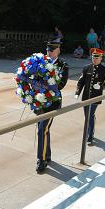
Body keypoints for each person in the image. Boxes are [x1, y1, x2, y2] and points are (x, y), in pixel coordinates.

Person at [34, 37, 69, 174]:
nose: (48, 52)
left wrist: (46, 85)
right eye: (48, 50)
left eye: (52, 50)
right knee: (43, 130)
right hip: (40, 101)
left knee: (42, 130)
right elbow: (35, 78)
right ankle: (46, 155)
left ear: (58, 51)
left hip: (52, 103)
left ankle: (41, 160)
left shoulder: (63, 65)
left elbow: (61, 84)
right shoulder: (41, 63)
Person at [74, 48, 105, 143]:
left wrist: (101, 86)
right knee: (87, 115)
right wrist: (77, 93)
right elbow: (81, 81)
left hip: (96, 97)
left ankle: (90, 135)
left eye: (96, 58)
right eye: (93, 57)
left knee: (90, 115)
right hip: (86, 96)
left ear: (101, 58)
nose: (94, 59)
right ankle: (89, 130)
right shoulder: (86, 68)